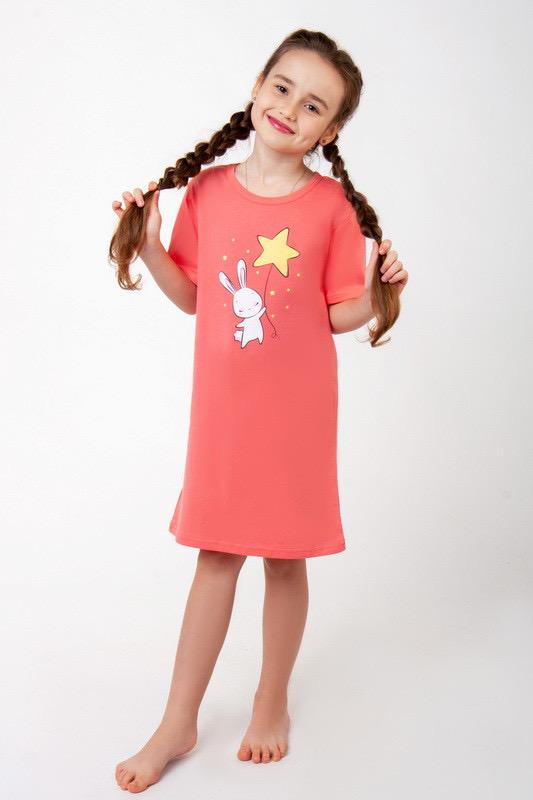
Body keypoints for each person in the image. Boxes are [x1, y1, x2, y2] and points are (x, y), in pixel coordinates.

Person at [109, 27, 408, 793]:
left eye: (313, 106)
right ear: (256, 86)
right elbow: (194, 298)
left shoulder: (330, 206)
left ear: (330, 129)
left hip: (296, 414)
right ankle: (178, 720)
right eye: (282, 88)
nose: (289, 109)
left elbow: (335, 313)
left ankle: (270, 698)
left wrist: (381, 294)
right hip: (224, 415)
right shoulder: (208, 193)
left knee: (283, 555)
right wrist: (149, 247)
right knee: (215, 555)